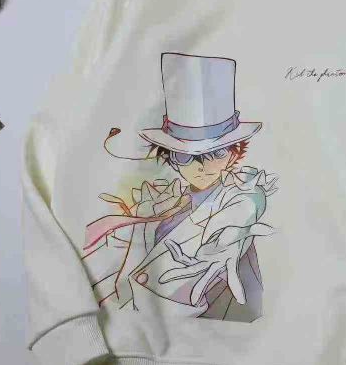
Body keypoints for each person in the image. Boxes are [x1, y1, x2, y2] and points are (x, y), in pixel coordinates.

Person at [81, 52, 278, 323]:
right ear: (171, 158)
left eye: (217, 153)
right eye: (186, 156)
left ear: (234, 154)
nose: (202, 166)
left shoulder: (241, 199)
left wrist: (229, 236)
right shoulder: (162, 203)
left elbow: (247, 207)